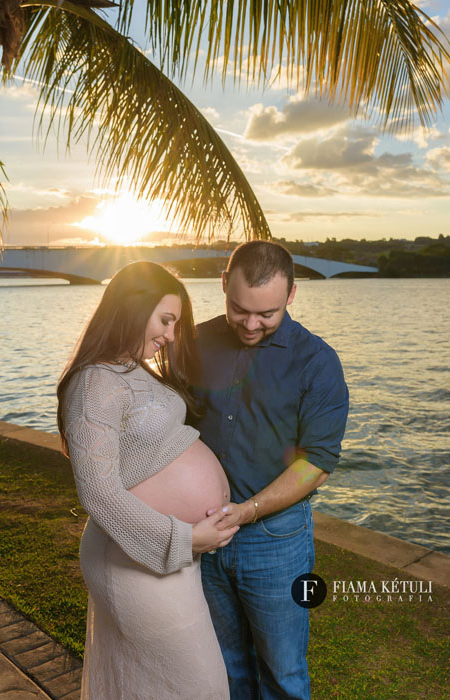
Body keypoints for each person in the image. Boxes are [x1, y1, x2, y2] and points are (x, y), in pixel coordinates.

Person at [57, 261, 239, 700]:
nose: (171, 336)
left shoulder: (130, 369)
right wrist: (185, 538)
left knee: (154, 685)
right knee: (200, 688)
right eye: (166, 320)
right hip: (134, 560)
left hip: (163, 555)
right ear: (132, 308)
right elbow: (97, 493)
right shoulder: (95, 382)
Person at [191, 240, 349, 700]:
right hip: (203, 537)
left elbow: (317, 464)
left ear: (292, 296)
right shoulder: (194, 343)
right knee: (224, 669)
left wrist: (247, 511)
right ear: (224, 285)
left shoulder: (318, 363)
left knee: (283, 676)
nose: (251, 324)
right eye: (240, 310)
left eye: (268, 314)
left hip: (277, 543)